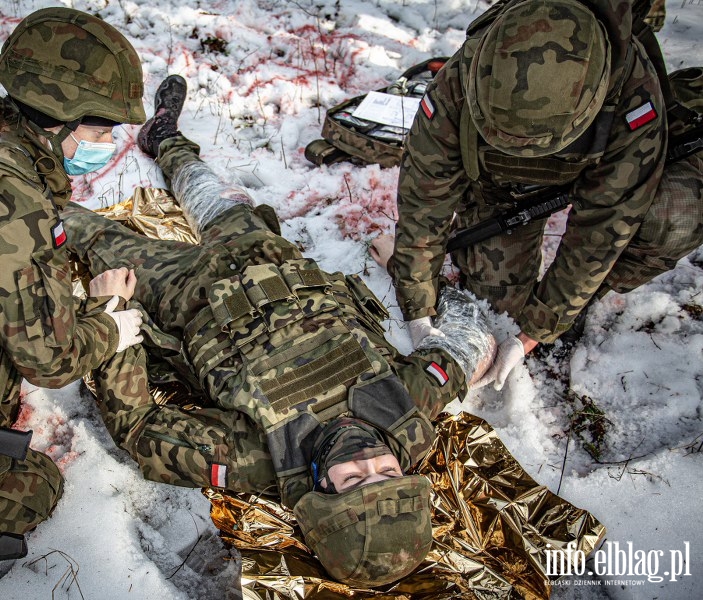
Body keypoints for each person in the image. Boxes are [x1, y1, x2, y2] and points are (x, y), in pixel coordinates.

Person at [63, 75, 496, 587]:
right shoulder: (405, 407)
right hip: (269, 256)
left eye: (353, 479)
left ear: (319, 492)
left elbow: (139, 433)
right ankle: (165, 139)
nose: (365, 458)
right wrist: (423, 284)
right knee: (211, 192)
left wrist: (113, 313)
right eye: (385, 471)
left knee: (62, 222)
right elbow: (466, 342)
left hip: (190, 293)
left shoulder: (258, 457)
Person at [381, 0, 703, 390]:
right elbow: (424, 201)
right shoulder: (460, 79)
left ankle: (578, 303)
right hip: (501, 187)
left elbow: (604, 227)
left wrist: (540, 328)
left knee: (673, 216)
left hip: (609, 163)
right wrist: (417, 305)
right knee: (497, 306)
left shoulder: (634, 99)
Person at [0, 7, 146, 565]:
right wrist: (108, 323)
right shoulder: (18, 207)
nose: (106, 143)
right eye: (100, 130)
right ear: (57, 120)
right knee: (35, 487)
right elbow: (50, 361)